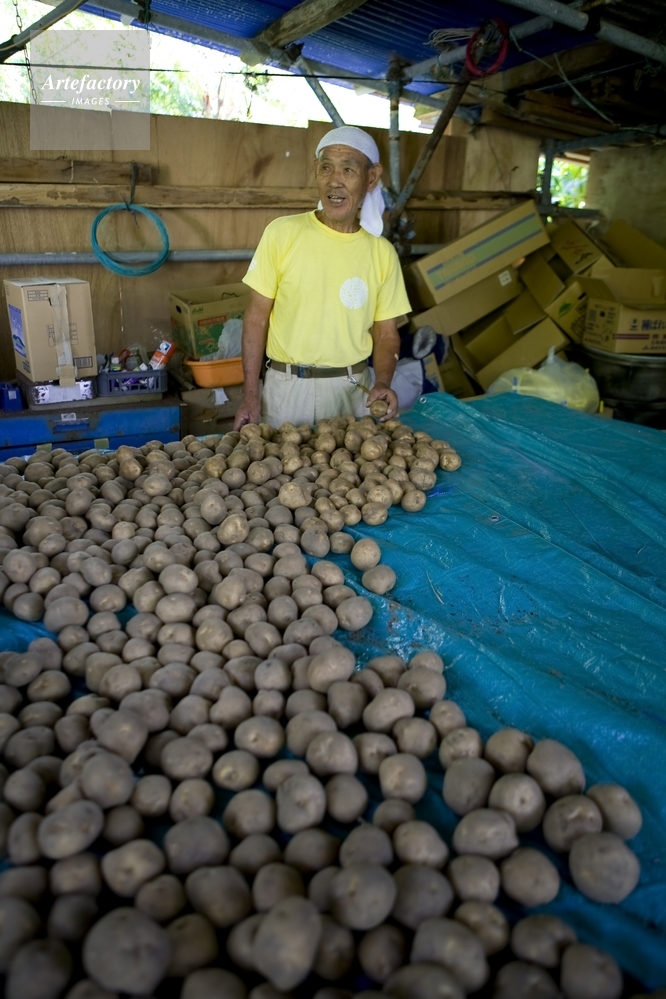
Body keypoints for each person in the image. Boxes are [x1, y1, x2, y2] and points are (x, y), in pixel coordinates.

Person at [233, 125, 411, 430]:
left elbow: (386, 334)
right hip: (286, 390)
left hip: (352, 392)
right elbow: (256, 318)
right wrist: (250, 395)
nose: (334, 181)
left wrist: (383, 382)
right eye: (326, 167)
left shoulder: (382, 254)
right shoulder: (282, 233)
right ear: (316, 170)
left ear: (371, 178)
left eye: (348, 170)